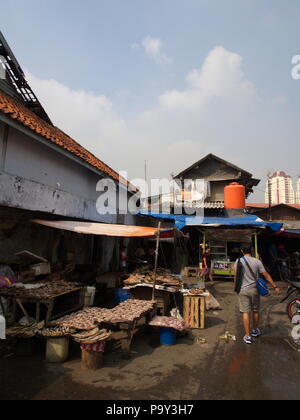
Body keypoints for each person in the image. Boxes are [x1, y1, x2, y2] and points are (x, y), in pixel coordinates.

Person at [234, 245, 280, 345]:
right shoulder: (257, 261)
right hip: (254, 289)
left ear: (242, 251)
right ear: (251, 251)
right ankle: (254, 330)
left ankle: (248, 336)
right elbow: (265, 275)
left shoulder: (238, 261)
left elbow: (236, 277)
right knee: (255, 310)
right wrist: (275, 286)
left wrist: (237, 288)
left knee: (245, 312)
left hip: (243, 290)